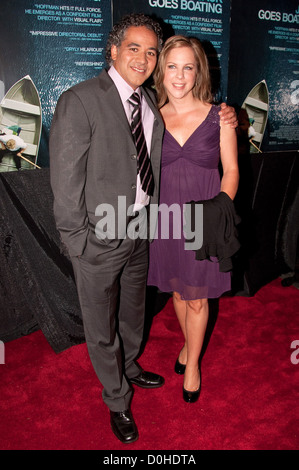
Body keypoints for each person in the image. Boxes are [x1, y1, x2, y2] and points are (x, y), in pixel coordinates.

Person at [50, 14, 237, 444]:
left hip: (144, 229)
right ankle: (117, 399)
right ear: (112, 51)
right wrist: (78, 242)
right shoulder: (80, 99)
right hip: (99, 236)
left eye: (152, 51)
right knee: (101, 326)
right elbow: (64, 180)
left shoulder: (148, 103)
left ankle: (130, 366)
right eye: (134, 48)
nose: (144, 58)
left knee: (133, 314)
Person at [147, 35, 239, 404]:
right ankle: (188, 344)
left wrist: (217, 210)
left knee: (198, 298)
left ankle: (193, 364)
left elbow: (231, 170)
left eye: (188, 67)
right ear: (161, 71)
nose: (180, 76)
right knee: (177, 289)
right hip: (165, 216)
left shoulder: (220, 116)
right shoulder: (151, 114)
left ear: (199, 71)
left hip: (205, 217)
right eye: (172, 67)